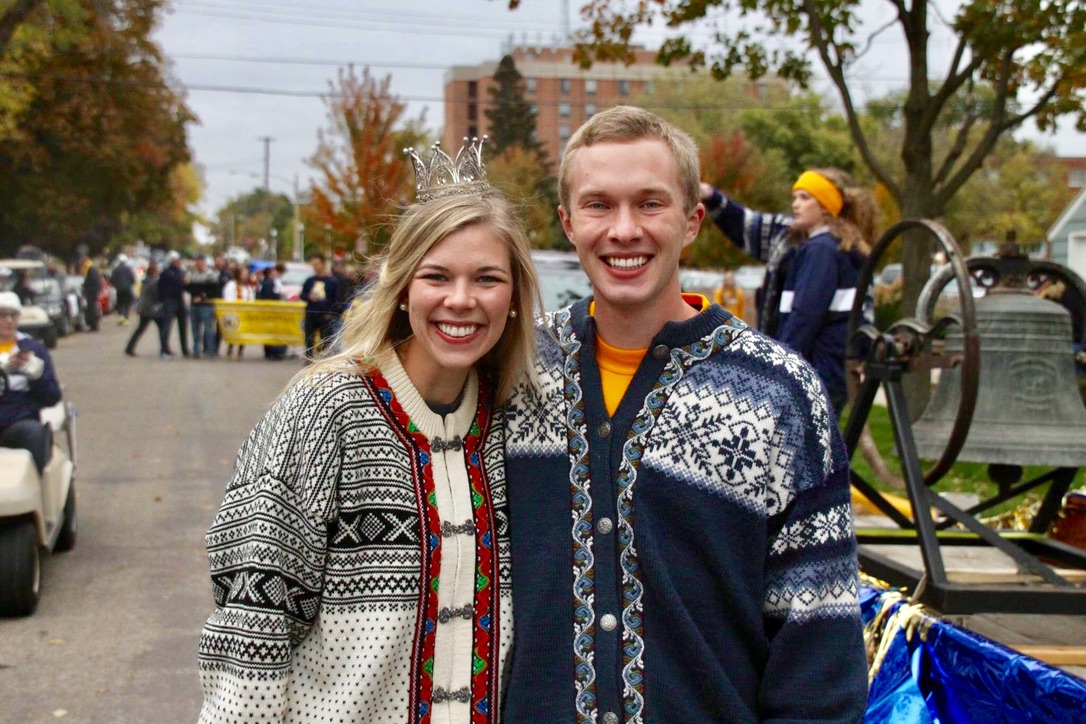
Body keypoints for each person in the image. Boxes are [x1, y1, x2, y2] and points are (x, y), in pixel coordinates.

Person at [501, 106, 868, 723]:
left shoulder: (779, 395)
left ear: (692, 220)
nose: (624, 230)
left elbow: (818, 646)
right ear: (567, 222)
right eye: (598, 205)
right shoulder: (512, 374)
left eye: (650, 203)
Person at [197, 182, 541, 722]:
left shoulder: (517, 421)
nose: (460, 299)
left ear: (514, 297)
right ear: (402, 286)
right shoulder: (322, 409)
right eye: (436, 276)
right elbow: (251, 623)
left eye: (487, 279)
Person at [773, 168, 874, 413]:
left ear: (826, 206)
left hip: (817, 369)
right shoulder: (836, 247)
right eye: (795, 197)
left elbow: (806, 314)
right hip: (832, 366)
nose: (795, 205)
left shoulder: (821, 250)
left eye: (805, 198)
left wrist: (779, 365)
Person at [0, 292, 62, 475]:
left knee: (34, 434)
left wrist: (35, 374)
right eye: (2, 315)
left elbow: (52, 396)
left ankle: (39, 495)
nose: (8, 321)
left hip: (18, 420)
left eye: (13, 315)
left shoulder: (33, 348)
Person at [300, 253, 338, 361]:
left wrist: (332, 313)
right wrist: (308, 297)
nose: (315, 266)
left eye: (317, 264)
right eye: (313, 264)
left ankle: (325, 361)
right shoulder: (309, 281)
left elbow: (336, 299)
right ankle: (309, 360)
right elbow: (302, 295)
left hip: (325, 315)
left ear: (323, 264)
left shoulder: (331, 281)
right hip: (311, 314)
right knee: (309, 340)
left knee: (326, 341)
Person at [124, 262, 167, 357]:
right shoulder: (154, 282)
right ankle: (164, 349)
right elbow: (158, 294)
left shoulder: (145, 281)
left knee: (140, 329)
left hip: (143, 308)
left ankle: (129, 348)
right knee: (163, 328)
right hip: (151, 309)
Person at [185, 254, 221, 358]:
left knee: (209, 329)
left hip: (206, 305)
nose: (198, 264)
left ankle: (210, 350)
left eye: (200, 262)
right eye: (197, 262)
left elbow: (213, 290)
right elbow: (188, 288)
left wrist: (202, 296)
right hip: (194, 305)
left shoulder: (211, 274)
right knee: (195, 329)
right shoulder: (192, 274)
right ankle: (196, 350)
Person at [158, 251, 190, 358]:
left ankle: (185, 349)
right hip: (169, 301)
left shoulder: (182, 272)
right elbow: (160, 287)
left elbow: (185, 286)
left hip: (180, 300)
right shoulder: (166, 272)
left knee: (183, 326)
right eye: (177, 260)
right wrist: (163, 300)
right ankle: (164, 350)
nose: (179, 262)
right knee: (167, 326)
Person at [221, 265, 254, 360]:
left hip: (245, 313)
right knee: (234, 331)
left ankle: (240, 351)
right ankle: (230, 348)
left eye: (246, 274)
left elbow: (251, 299)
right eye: (243, 274)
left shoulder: (248, 287)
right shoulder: (232, 285)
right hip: (234, 313)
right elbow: (228, 298)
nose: (245, 276)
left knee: (243, 333)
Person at [257, 262, 289, 361]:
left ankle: (271, 351)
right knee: (272, 331)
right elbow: (270, 296)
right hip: (271, 311)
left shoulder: (268, 282)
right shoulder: (268, 283)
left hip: (269, 311)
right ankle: (274, 352)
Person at [111, 254, 136, 324]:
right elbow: (132, 278)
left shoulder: (116, 269)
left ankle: (121, 317)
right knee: (127, 303)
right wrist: (130, 284)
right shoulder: (128, 269)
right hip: (127, 288)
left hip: (119, 289)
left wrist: (115, 285)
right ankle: (126, 317)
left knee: (120, 303)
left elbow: (112, 279)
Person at [82, 261, 103, 332]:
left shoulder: (91, 274)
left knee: (91, 309)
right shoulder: (96, 275)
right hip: (93, 294)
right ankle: (94, 325)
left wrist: (85, 288)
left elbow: (87, 283)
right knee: (94, 308)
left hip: (91, 294)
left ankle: (93, 325)